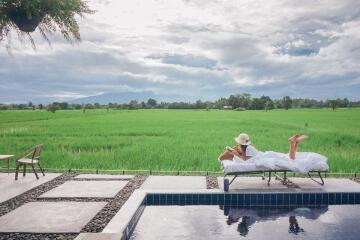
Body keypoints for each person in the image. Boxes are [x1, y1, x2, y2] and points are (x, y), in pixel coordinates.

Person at [220, 133, 308, 161]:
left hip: (267, 157)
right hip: (267, 155)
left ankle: (292, 142)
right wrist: (236, 152)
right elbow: (245, 156)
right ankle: (295, 142)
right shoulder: (248, 147)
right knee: (289, 156)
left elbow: (246, 160)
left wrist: (235, 153)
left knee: (291, 158)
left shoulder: (248, 148)